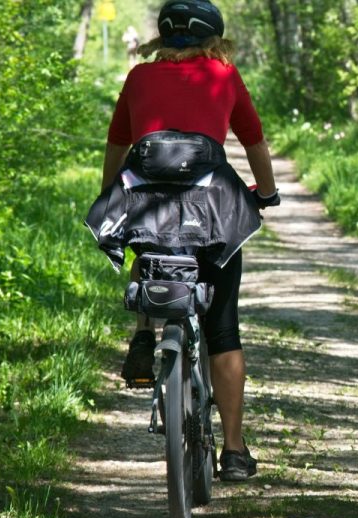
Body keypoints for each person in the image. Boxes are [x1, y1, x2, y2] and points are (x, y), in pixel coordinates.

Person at [99, 0, 279, 481]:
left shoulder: (139, 77)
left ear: (162, 38)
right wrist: (268, 194)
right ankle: (235, 451)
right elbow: (253, 141)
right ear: (212, 38)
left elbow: (118, 146)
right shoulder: (223, 74)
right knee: (223, 329)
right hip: (212, 208)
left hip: (147, 202)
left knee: (147, 245)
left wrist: (109, 195)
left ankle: (143, 331)